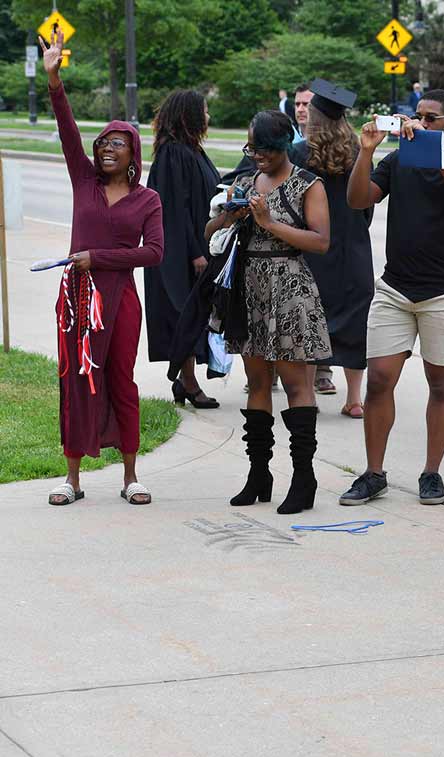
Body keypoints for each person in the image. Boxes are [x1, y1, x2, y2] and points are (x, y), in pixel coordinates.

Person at [339, 90, 444, 507]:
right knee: (380, 380)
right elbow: (357, 199)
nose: (420, 123)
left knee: (441, 383)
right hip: (395, 289)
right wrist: (366, 152)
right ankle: (373, 474)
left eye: (431, 118)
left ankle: (431, 473)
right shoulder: (397, 160)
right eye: (416, 116)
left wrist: (429, 147)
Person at [41, 29, 164, 508]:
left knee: (120, 380)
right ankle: (71, 478)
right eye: (103, 143)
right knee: (75, 379)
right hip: (77, 297)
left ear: (134, 154)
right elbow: (67, 128)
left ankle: (131, 475)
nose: (107, 148)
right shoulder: (83, 182)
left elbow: (153, 253)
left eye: (118, 143)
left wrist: (101, 258)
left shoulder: (147, 199)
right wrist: (55, 81)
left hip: (121, 300)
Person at [206, 110, 332, 515]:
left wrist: (268, 221)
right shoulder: (244, 181)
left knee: (297, 385)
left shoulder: (308, 184)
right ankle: (259, 473)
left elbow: (320, 241)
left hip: (290, 284)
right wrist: (229, 213)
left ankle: (303, 478)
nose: (257, 157)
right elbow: (209, 234)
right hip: (250, 286)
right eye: (251, 149)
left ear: (284, 146)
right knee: (257, 382)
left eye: (264, 150)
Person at [291, 79, 373, 420]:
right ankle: (354, 398)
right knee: (356, 322)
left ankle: (308, 395)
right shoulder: (358, 151)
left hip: (314, 248)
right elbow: (366, 204)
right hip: (352, 248)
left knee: (312, 319)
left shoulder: (299, 154)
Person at [145, 89, 221, 410]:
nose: (208, 117)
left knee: (192, 313)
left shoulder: (191, 150)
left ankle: (184, 378)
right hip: (180, 253)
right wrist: (194, 252)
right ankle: (188, 381)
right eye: (203, 111)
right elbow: (174, 210)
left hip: (194, 248)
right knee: (184, 312)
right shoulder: (173, 154)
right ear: (189, 115)